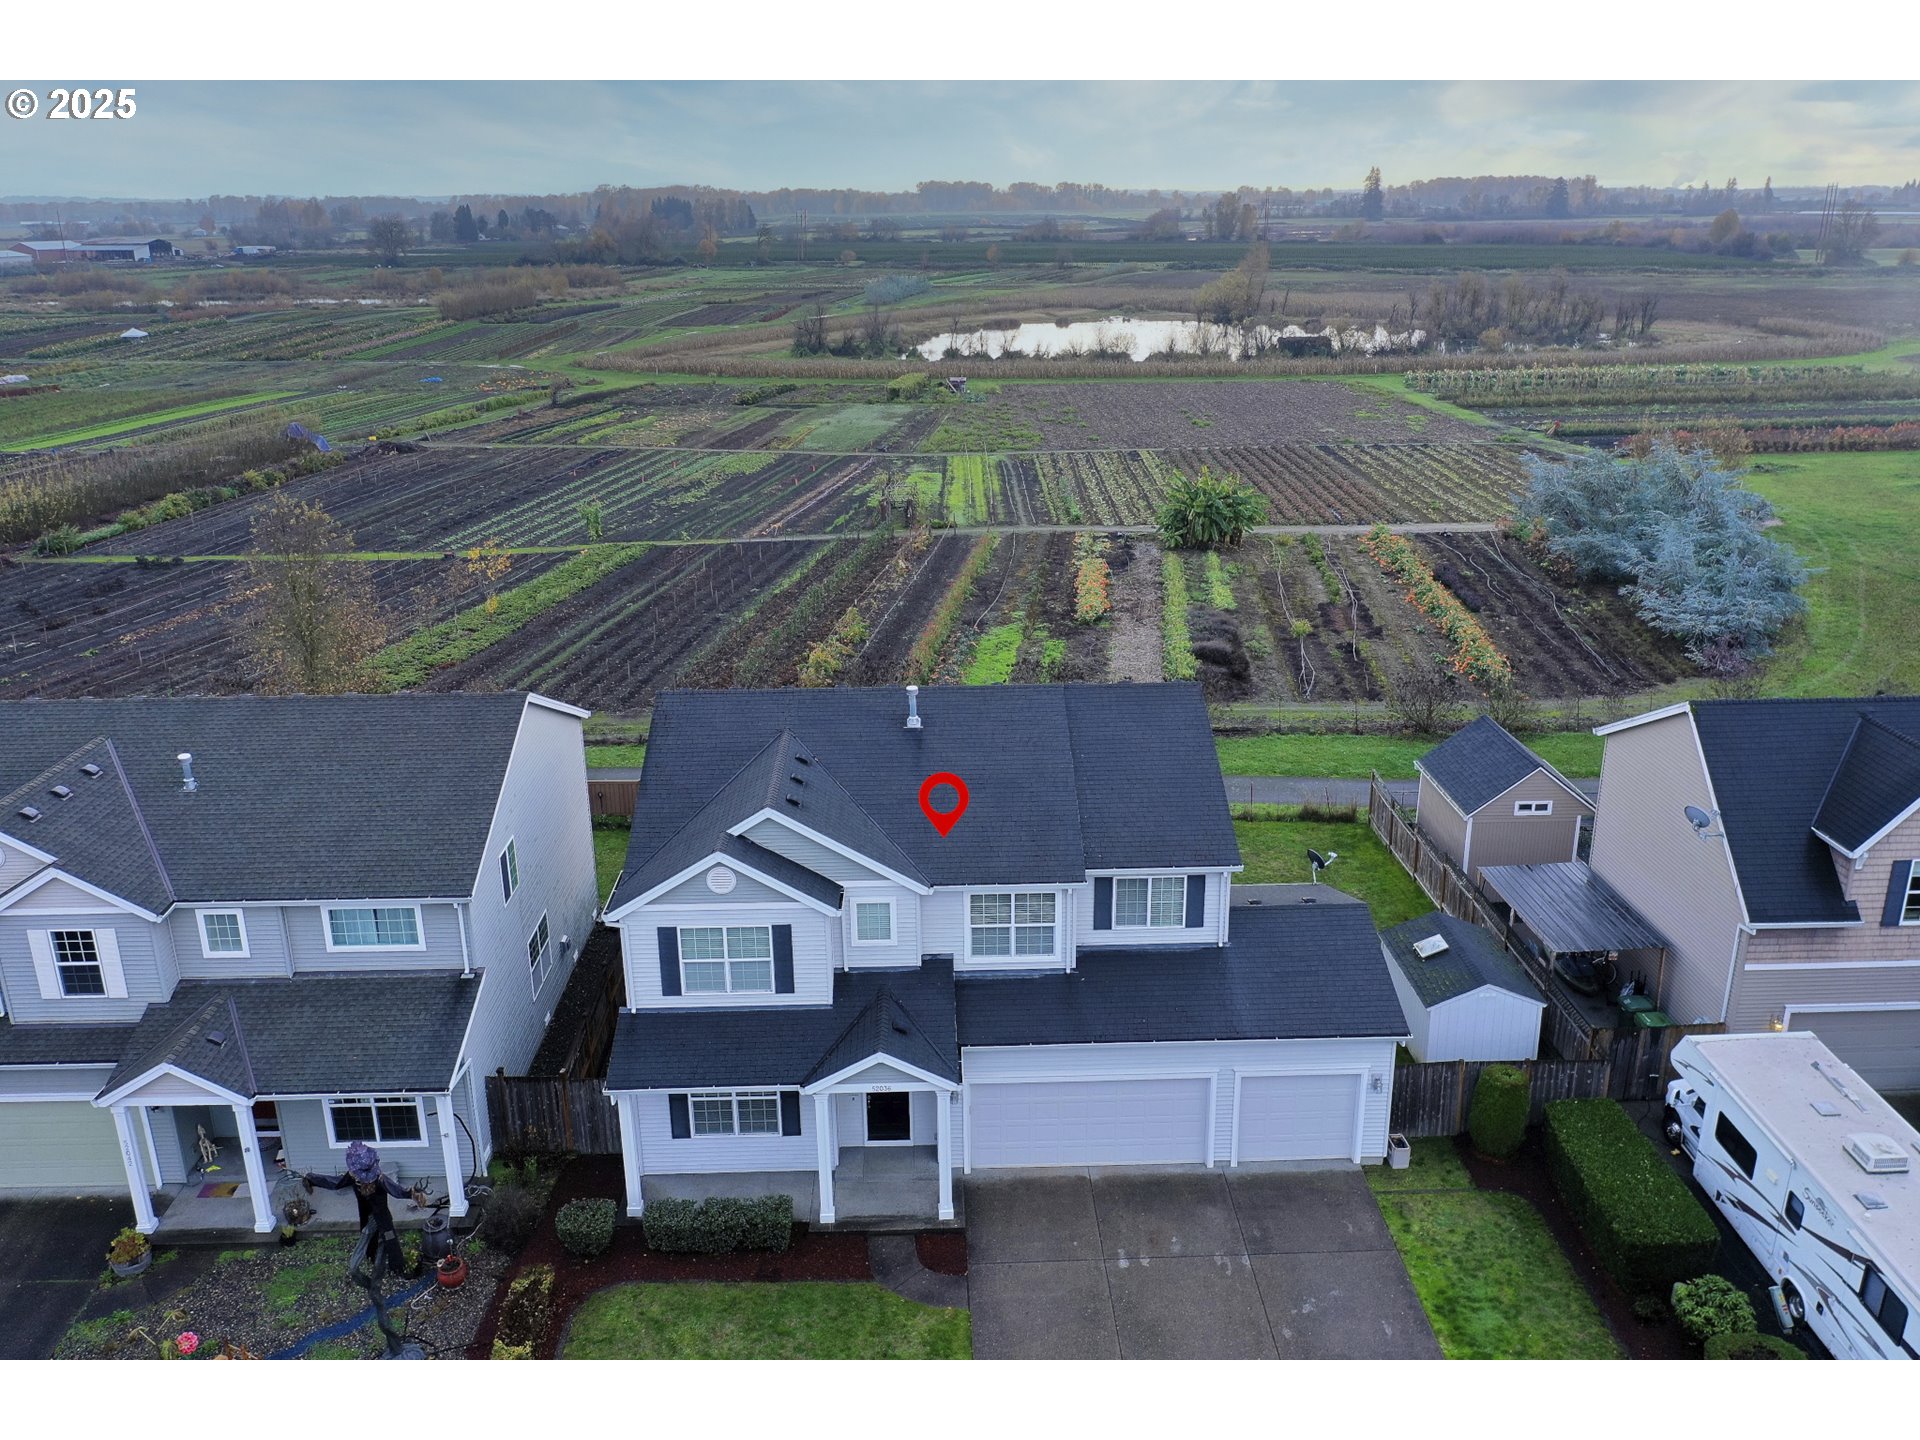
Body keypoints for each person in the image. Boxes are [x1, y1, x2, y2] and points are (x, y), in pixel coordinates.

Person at [304, 1141, 415, 1278]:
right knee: (368, 1235)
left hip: (382, 1214)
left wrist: (411, 1193)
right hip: (366, 1213)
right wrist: (312, 1179)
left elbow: (396, 1190)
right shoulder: (353, 1177)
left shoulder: (380, 1179)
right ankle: (371, 1255)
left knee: (389, 1236)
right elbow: (336, 1182)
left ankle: (397, 1267)